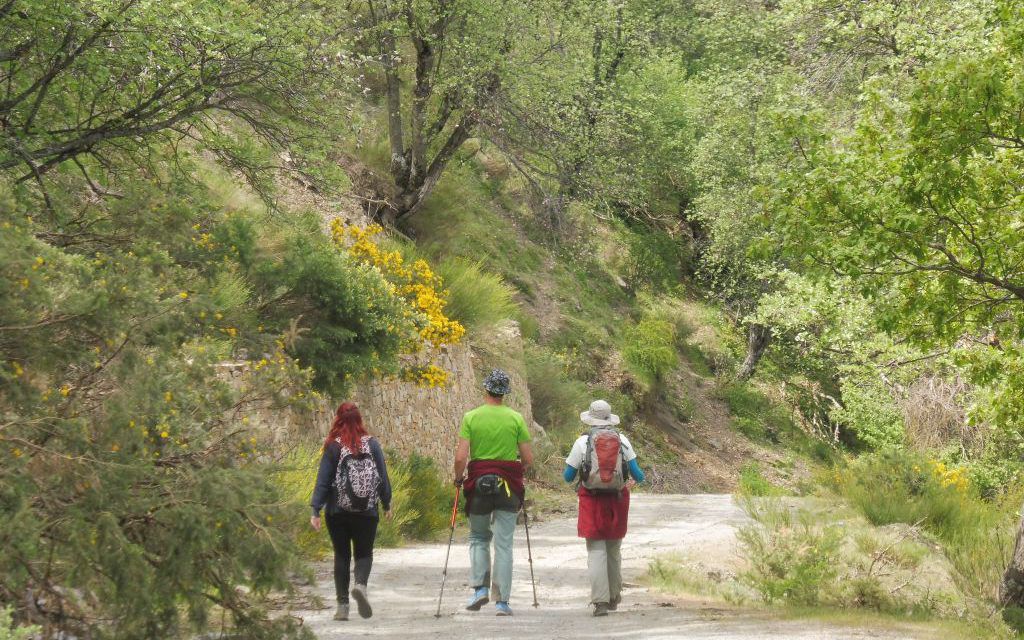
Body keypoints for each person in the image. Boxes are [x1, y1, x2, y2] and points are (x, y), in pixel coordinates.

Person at [453, 369, 534, 617]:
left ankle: (480, 590)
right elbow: (528, 458)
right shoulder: (515, 418)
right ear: (505, 394)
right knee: (504, 544)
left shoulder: (471, 417)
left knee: (478, 538)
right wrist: (517, 469)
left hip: (478, 484)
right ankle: (502, 602)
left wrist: (458, 478)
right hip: (507, 486)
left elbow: (460, 457)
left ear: (485, 389)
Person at [310, 402, 392, 622]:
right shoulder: (372, 444)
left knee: (342, 555)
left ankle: (342, 607)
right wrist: (387, 503)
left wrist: (315, 509)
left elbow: (324, 481)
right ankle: (361, 586)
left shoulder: (333, 446)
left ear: (338, 419)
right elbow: (382, 477)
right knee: (364, 553)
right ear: (360, 419)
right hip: (367, 511)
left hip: (338, 511)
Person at [563, 399, 645, 617]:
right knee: (613, 550)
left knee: (596, 551)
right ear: (609, 419)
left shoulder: (582, 443)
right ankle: (614, 595)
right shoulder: (623, 440)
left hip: (592, 500)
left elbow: (567, 476)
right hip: (617, 501)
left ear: (590, 419)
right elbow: (639, 475)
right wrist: (626, 481)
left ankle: (600, 602)